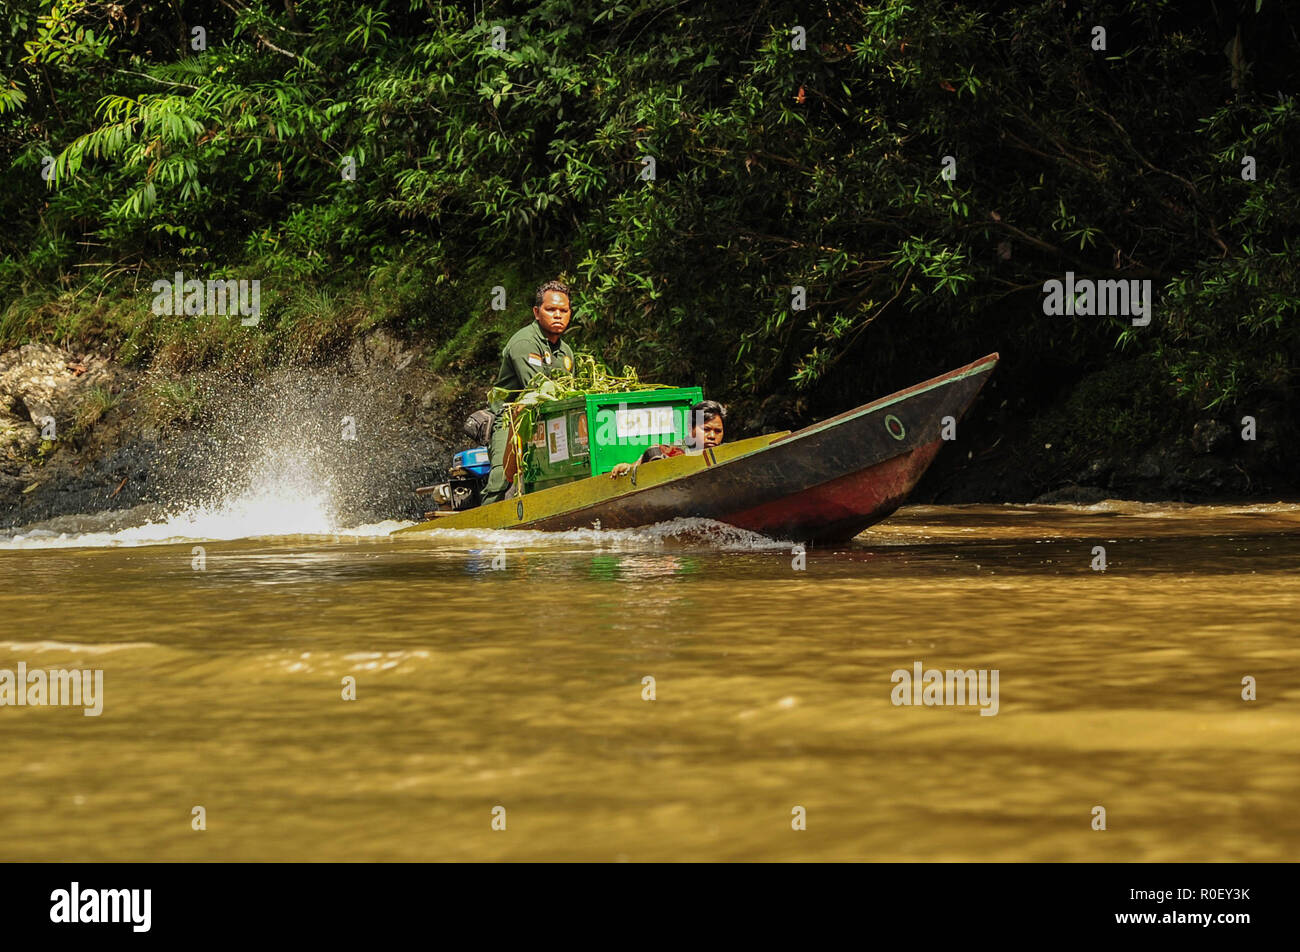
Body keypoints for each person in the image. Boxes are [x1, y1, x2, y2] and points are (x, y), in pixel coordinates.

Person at [480, 281, 577, 505]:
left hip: (547, 417)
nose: (557, 315)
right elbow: (537, 389)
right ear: (536, 312)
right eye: (550, 310)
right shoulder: (524, 343)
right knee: (502, 479)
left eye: (563, 311)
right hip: (511, 418)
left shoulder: (566, 352)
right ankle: (483, 520)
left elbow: (569, 391)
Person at [609, 400, 726, 478]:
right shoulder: (670, 451)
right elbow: (641, 464)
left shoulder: (728, 454)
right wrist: (628, 467)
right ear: (691, 428)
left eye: (718, 431)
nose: (712, 436)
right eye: (706, 429)